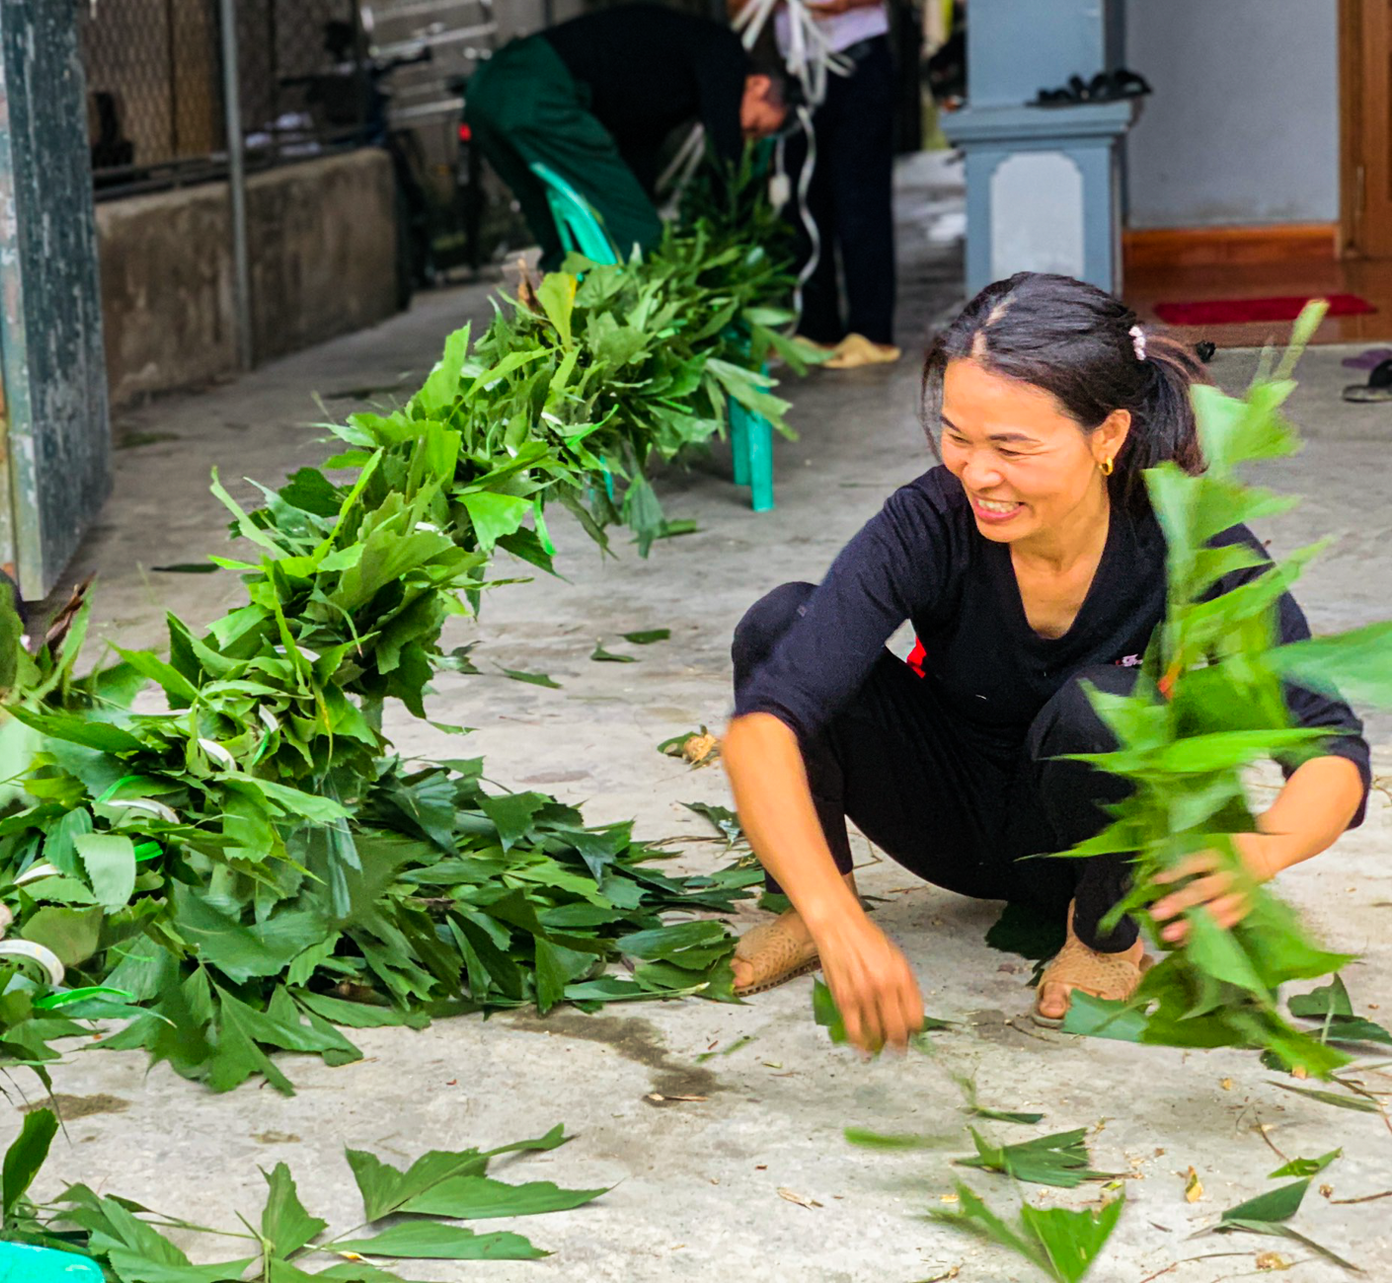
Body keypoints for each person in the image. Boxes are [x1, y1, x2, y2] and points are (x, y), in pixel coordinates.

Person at [723, 274, 1371, 1051]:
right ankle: (799, 898)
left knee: (1104, 704)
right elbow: (765, 725)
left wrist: (1260, 849)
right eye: (959, 435)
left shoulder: (1188, 536)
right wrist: (830, 911)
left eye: (1012, 447)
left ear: (1108, 436)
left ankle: (1104, 938)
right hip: (946, 817)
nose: (977, 473)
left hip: (1092, 850)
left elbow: (1331, 748)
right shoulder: (932, 520)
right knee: (779, 622)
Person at [463, 3, 788, 271]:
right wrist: (731, 229)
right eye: (755, 127)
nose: (748, 140)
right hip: (537, 88)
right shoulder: (723, 49)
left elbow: (637, 149)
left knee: (562, 239)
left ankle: (567, 335)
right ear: (758, 85)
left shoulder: (669, 82)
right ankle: (646, 341)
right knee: (638, 238)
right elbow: (725, 145)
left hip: (487, 90)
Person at [776, 0, 900, 368]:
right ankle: (816, 327)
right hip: (797, 68)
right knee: (802, 203)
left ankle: (873, 332)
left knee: (859, 201)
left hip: (855, 60)